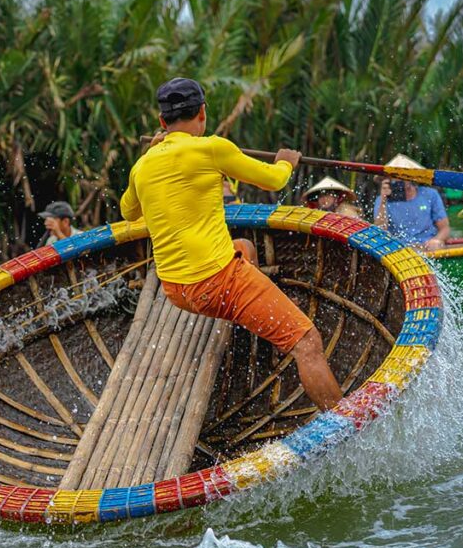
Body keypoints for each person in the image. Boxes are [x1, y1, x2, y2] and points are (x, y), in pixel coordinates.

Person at [120, 77, 343, 411]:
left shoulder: (143, 165)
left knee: (243, 246)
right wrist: (286, 160)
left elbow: (129, 211)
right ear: (203, 114)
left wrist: (151, 155)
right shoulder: (212, 148)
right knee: (308, 342)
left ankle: (255, 319)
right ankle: (346, 423)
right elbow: (275, 179)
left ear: (162, 123)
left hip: (176, 290)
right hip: (218, 283)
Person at [373, 154, 449, 251]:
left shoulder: (430, 194)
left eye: (403, 176)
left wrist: (436, 240)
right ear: (388, 180)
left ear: (411, 177)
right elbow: (380, 233)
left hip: (427, 248)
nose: (399, 180)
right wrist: (383, 200)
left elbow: (445, 229)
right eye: (395, 177)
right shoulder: (381, 201)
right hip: (399, 251)